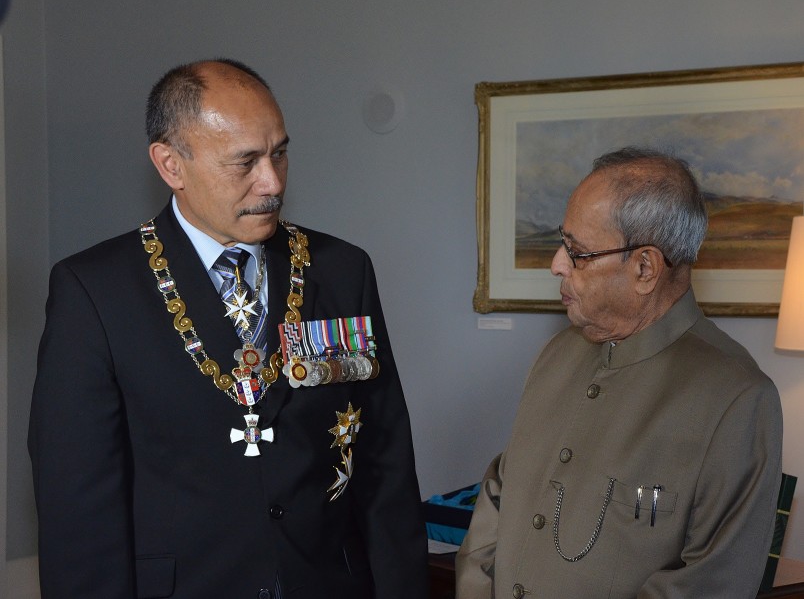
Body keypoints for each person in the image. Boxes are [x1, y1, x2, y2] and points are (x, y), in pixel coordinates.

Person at [28, 58, 428, 599]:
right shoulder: (94, 291)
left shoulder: (342, 269)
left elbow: (385, 461)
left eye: (279, 153)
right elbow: (77, 506)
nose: (272, 182)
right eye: (245, 162)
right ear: (171, 165)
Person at [456, 147, 783, 598]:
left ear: (645, 268)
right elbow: (500, 491)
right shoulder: (556, 354)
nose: (556, 263)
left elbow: (710, 585)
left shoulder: (737, 399)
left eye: (577, 252)